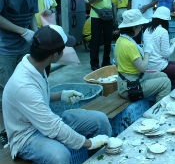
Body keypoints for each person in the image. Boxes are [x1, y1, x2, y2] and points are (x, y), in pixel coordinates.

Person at [2, 25, 112, 163]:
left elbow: (39, 99)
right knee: (60, 156)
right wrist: (89, 143)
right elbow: (53, 127)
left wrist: (61, 95)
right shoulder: (23, 84)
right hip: (26, 135)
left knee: (100, 120)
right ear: (54, 55)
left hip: (43, 121)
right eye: (63, 49)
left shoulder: (36, 64)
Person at [0, 0, 56, 146]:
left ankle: (31, 123)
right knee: (8, 90)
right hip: (5, 49)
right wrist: (22, 31)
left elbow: (31, 15)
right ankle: (8, 132)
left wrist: (35, 33)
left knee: (30, 86)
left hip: (25, 46)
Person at [115, 9, 171, 102]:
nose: (141, 28)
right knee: (166, 83)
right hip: (129, 88)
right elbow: (143, 68)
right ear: (134, 27)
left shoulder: (120, 40)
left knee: (163, 75)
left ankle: (153, 102)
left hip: (126, 81)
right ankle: (159, 111)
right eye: (140, 26)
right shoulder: (129, 45)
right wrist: (147, 52)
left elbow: (117, 64)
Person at [81, 0, 122, 71]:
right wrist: (89, 0)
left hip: (108, 15)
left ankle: (106, 62)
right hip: (95, 15)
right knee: (95, 41)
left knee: (108, 40)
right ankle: (94, 64)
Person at [143, 6, 175, 90]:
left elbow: (157, 47)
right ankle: (172, 88)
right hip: (159, 66)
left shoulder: (147, 30)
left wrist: (170, 43)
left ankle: (171, 82)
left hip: (150, 64)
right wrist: (174, 45)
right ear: (165, 20)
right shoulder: (163, 31)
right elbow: (166, 54)